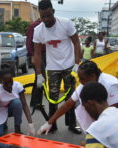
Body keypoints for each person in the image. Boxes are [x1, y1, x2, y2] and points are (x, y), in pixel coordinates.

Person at [37, 60, 118, 135]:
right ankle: (96, 138)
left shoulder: (109, 84)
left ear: (92, 75)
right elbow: (69, 103)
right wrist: (49, 122)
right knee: (83, 106)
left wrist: (104, 139)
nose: (79, 81)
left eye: (81, 78)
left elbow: (113, 113)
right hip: (109, 116)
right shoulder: (86, 83)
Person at [33, 0, 82, 134]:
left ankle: (72, 124)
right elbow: (36, 53)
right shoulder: (38, 30)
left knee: (70, 96)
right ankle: (52, 125)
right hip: (53, 67)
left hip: (69, 66)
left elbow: (77, 43)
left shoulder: (66, 24)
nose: (46, 19)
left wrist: (77, 64)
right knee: (52, 97)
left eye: (48, 15)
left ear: (53, 11)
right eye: (43, 16)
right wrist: (38, 75)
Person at [0, 66, 35, 139]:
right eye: (6, 83)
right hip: (0, 112)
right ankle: (3, 124)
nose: (9, 85)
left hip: (11, 109)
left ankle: (17, 129)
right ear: (1, 81)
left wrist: (30, 124)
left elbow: (24, 105)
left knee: (17, 103)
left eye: (11, 81)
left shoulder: (17, 86)